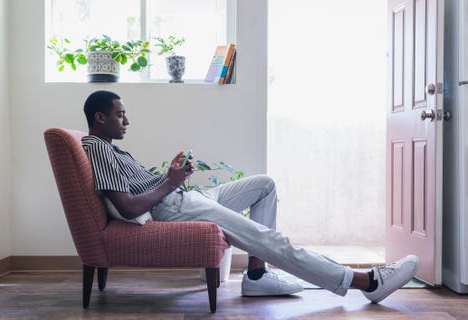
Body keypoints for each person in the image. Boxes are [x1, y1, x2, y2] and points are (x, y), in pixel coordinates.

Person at [81, 90, 419, 302]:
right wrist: (170, 182)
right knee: (268, 238)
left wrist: (174, 174)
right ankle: (366, 281)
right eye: (119, 113)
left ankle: (256, 275)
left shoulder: (111, 149)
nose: (127, 119)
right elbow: (126, 208)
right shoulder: (96, 148)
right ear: (100, 117)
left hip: (183, 196)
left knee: (264, 184)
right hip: (174, 206)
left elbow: (141, 189)